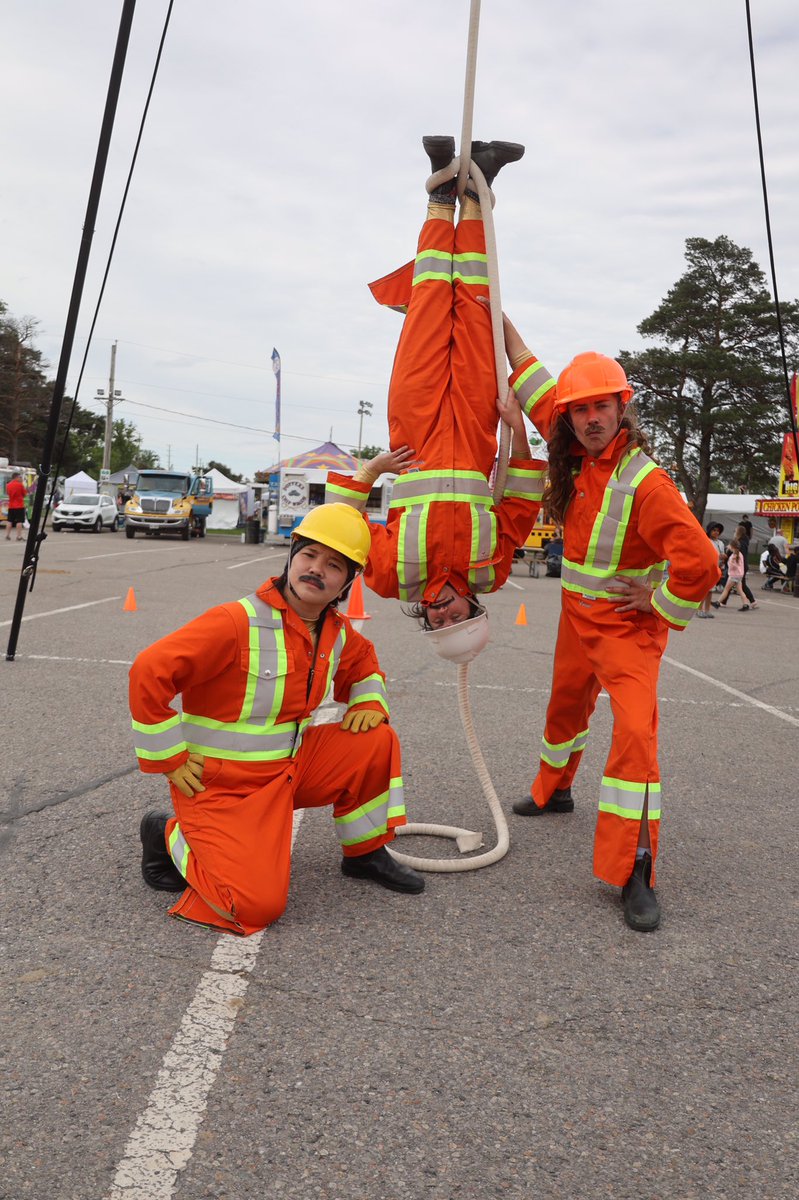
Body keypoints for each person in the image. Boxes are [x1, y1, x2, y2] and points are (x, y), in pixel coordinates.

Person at [501, 321, 719, 932]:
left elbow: (699, 565)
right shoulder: (568, 441)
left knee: (634, 740)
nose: (591, 418)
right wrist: (493, 310)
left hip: (627, 630)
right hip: (575, 618)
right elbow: (527, 366)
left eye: (602, 406)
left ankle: (635, 867)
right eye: (581, 410)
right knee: (564, 708)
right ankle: (554, 789)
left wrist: (660, 603)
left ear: (623, 407)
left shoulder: (647, 482)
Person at [129, 503, 424, 937]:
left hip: (288, 771)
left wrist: (369, 703)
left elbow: (366, 671)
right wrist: (168, 757)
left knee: (376, 739)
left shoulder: (335, 632)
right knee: (254, 905)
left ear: (349, 580)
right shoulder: (235, 622)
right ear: (291, 556)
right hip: (224, 785)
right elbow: (148, 671)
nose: (316, 569)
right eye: (308, 556)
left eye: (333, 564)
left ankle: (364, 853)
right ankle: (169, 834)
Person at [325, 137, 547, 660]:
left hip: (414, 426)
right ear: (475, 609)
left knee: (428, 301)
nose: (444, 613)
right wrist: (515, 429)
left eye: (438, 622)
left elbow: (339, 526)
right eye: (457, 619)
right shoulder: (490, 571)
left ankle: (440, 195)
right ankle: (480, 186)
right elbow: (517, 503)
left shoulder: (387, 580)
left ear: (425, 618)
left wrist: (371, 471)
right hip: (476, 425)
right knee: (474, 306)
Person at [711, 539, 750, 609]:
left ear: (732, 547)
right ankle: (745, 604)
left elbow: (732, 566)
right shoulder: (740, 554)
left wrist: (729, 563)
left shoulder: (733, 556)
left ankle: (717, 602)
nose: (728, 546)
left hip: (733, 575)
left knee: (726, 589)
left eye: (729, 545)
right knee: (740, 590)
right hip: (739, 575)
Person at [698, 522, 725, 617]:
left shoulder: (720, 543)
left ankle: (707, 610)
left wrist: (723, 558)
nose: (716, 532)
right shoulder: (706, 541)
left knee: (710, 590)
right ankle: (699, 609)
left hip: (715, 569)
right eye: (714, 530)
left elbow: (720, 555)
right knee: (704, 590)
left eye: (718, 531)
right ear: (709, 531)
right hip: (706, 568)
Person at [4, 471, 27, 541]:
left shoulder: (8, 485)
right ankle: (19, 536)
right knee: (19, 521)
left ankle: (7, 535)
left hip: (11, 506)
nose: (20, 478)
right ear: (16, 477)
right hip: (19, 506)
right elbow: (24, 494)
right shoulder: (20, 485)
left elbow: (8, 493)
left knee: (9, 521)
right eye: (20, 477)